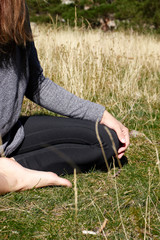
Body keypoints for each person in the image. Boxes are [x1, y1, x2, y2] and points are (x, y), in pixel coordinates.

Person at [0, 0, 129, 195]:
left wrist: (100, 114)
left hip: (9, 136)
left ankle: (12, 168)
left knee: (107, 141)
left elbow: (37, 84)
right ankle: (14, 176)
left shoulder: (17, 13)